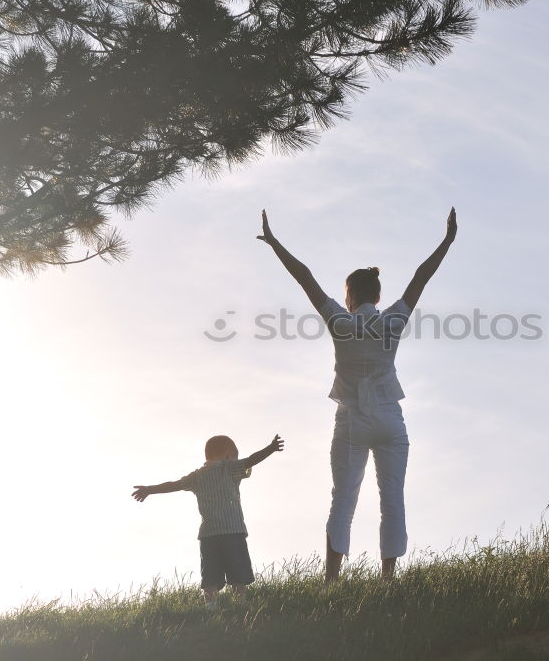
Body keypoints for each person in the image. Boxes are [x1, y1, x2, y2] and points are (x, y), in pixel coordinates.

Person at [257, 207, 457, 580]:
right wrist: (447, 241)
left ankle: (331, 582)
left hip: (351, 421)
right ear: (378, 296)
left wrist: (273, 243)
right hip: (389, 421)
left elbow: (305, 278)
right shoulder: (392, 320)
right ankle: (387, 581)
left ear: (348, 297)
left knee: (343, 500)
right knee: (392, 500)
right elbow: (420, 278)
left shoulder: (341, 322)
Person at [132, 434, 284, 608]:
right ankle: (239, 604)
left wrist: (149, 490)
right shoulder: (229, 468)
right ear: (228, 454)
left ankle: (210, 607)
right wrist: (271, 448)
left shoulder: (197, 476)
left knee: (210, 573)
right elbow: (251, 460)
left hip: (208, 535)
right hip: (232, 531)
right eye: (235, 455)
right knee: (238, 572)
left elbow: (174, 485)